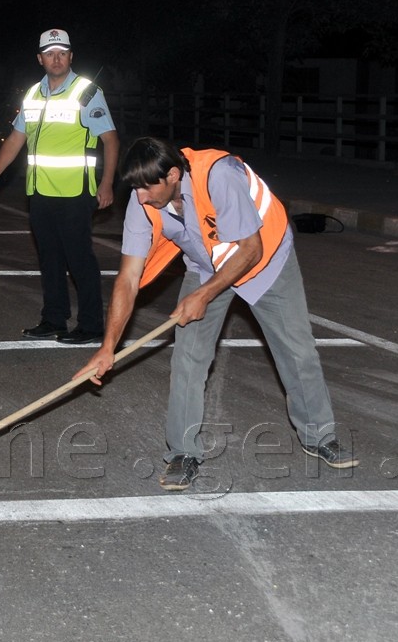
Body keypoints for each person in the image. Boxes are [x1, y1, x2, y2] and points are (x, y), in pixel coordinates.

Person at [75, 136, 358, 491]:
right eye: (136, 189)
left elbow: (250, 250)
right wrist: (108, 347)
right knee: (188, 357)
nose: (141, 197)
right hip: (206, 264)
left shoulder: (219, 175)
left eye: (147, 188)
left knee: (296, 350)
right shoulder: (141, 199)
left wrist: (203, 296)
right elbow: (129, 279)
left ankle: (319, 435)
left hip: (266, 258)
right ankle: (183, 451)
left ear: (174, 175)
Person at [0, 29, 120, 345]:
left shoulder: (86, 93)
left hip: (74, 192)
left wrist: (107, 183)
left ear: (70, 57)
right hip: (40, 191)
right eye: (50, 54)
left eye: (62, 53)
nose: (56, 59)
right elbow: (17, 138)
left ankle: (92, 325)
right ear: (40, 58)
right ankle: (54, 319)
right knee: (50, 258)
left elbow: (110, 139)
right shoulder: (32, 95)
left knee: (79, 258)